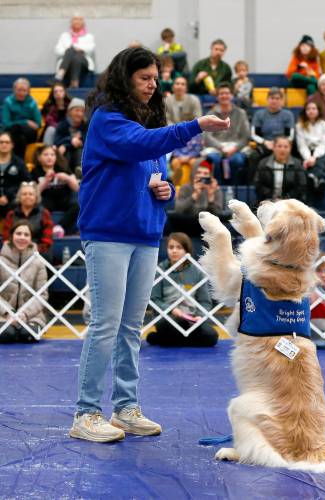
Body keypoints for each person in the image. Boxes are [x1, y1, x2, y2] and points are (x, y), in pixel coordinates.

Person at [69, 46, 229, 443]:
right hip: (107, 234)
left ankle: (125, 408)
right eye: (145, 78)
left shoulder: (147, 133)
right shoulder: (108, 121)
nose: (153, 84)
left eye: (155, 78)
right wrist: (195, 126)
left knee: (130, 327)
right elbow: (141, 146)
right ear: (126, 79)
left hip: (145, 235)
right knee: (105, 325)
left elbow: (163, 181)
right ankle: (85, 413)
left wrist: (167, 191)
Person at [147, 232, 219, 347]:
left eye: (179, 247)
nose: (174, 251)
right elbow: (154, 299)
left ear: (187, 250)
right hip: (169, 318)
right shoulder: (160, 270)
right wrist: (172, 310)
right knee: (167, 327)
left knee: (212, 337)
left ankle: (163, 340)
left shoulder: (197, 271)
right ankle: (173, 339)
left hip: (192, 318)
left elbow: (205, 301)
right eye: (171, 247)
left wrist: (200, 315)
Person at [0, 221, 48, 344]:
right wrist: (8, 313)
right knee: (6, 335)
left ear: (31, 238)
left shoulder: (38, 263)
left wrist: (24, 314)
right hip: (2, 315)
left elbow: (42, 295)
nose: (22, 237)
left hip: (32, 316)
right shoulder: (0, 261)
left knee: (28, 335)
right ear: (11, 236)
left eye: (26, 234)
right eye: (18, 233)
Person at [203, 83, 250, 183]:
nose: (224, 96)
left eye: (227, 93)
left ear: (232, 95)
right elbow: (207, 136)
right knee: (214, 160)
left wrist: (235, 148)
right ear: (217, 96)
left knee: (237, 161)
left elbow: (246, 136)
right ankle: (218, 189)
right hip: (216, 147)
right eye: (221, 93)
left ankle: (234, 189)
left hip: (235, 147)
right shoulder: (210, 114)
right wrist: (221, 147)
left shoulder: (241, 113)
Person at [31, 145, 79, 236]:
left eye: (52, 155)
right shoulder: (35, 171)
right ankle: (45, 230)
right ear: (39, 157)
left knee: (79, 205)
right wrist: (45, 181)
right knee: (38, 206)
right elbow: (34, 193)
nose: (49, 157)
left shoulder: (63, 168)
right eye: (46, 155)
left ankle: (59, 226)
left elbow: (77, 188)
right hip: (46, 201)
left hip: (64, 200)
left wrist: (67, 178)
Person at [249, 87, 295, 179]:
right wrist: (264, 142)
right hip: (265, 144)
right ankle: (253, 183)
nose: (274, 101)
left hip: (282, 145)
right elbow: (254, 134)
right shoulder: (259, 114)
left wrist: (279, 145)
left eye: (277, 98)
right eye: (272, 98)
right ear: (267, 99)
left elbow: (290, 135)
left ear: (282, 100)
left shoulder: (288, 115)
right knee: (253, 156)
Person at [167, 160, 223, 236]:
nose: (202, 176)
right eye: (199, 172)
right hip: (188, 225)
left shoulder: (215, 189)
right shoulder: (186, 187)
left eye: (205, 173)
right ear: (194, 173)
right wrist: (195, 195)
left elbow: (218, 214)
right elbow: (179, 209)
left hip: (208, 227)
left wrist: (211, 197)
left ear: (210, 176)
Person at [3, 182, 53, 260]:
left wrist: (34, 250)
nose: (27, 196)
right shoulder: (11, 214)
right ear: (19, 197)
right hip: (14, 251)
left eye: (30, 194)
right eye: (24, 194)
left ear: (36, 197)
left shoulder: (44, 213)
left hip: (38, 252)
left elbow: (47, 239)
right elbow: (6, 236)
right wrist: (17, 249)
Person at [254, 136, 307, 205]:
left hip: (290, 203)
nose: (282, 149)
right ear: (274, 147)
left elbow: (301, 185)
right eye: (279, 146)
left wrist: (285, 199)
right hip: (267, 202)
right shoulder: (263, 163)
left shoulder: (297, 164)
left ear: (290, 148)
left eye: (286, 147)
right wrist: (272, 198)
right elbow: (258, 184)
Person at [296, 101, 325, 196]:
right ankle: (320, 180)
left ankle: (313, 177)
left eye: (313, 108)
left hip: (320, 152)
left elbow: (324, 145)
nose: (311, 111)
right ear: (305, 111)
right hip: (305, 152)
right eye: (308, 109)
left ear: (318, 111)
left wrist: (314, 157)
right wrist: (308, 158)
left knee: (322, 161)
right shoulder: (299, 126)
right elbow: (302, 145)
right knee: (303, 163)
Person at [2, 78, 41, 159]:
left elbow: (38, 124)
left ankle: (14, 162)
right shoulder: (8, 101)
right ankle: (20, 162)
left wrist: (21, 125)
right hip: (13, 132)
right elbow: (6, 124)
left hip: (29, 133)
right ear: (14, 90)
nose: (21, 93)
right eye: (19, 90)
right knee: (19, 136)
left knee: (17, 129)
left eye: (24, 90)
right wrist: (25, 122)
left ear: (28, 91)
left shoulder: (32, 103)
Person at [54, 14, 95, 88]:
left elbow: (91, 49)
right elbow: (57, 50)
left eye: (80, 19)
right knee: (74, 55)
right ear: (71, 22)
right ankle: (74, 82)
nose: (77, 21)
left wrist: (77, 49)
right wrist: (69, 50)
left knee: (74, 52)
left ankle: (60, 73)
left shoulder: (89, 36)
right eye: (75, 19)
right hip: (68, 62)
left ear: (83, 23)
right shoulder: (64, 36)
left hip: (83, 62)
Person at [0, 131, 30, 218]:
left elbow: (26, 182)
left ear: (12, 145)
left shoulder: (19, 163)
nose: (4, 145)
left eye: (7, 142)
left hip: (13, 198)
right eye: (1, 142)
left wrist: (9, 196)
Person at [54, 97, 87, 176]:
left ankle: (79, 171)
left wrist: (67, 143)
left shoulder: (86, 125)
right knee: (64, 150)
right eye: (77, 110)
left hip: (81, 153)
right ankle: (67, 173)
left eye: (82, 111)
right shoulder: (62, 125)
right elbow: (57, 141)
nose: (80, 114)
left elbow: (87, 140)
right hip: (66, 153)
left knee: (79, 149)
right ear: (70, 111)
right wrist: (70, 141)